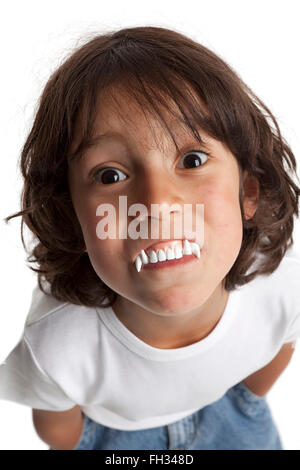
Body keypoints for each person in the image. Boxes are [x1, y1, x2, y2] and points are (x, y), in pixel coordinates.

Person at [1, 25, 300, 450]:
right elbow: (57, 428)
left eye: (192, 159)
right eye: (110, 175)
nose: (157, 205)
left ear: (247, 192)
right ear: (72, 219)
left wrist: (245, 401)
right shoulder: (56, 343)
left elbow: (280, 345)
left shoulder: (283, 285)